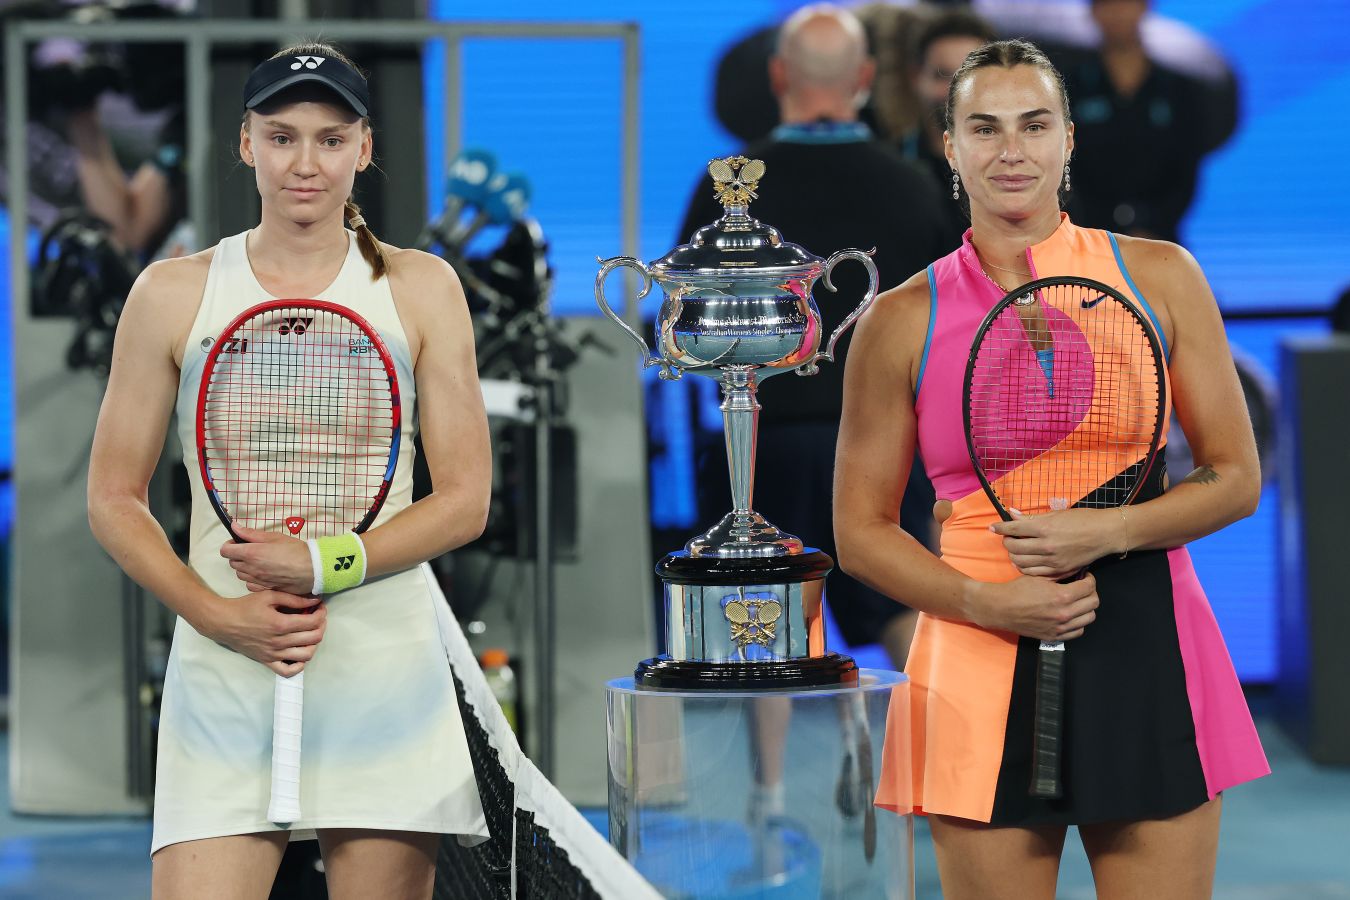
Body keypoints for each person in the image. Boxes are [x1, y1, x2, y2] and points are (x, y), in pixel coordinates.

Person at [835, 39, 1269, 899]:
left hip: (1149, 645)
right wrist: (985, 603)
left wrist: (1108, 530)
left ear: (1069, 139)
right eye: (984, 128)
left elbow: (1235, 475)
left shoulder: (1163, 276)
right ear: (949, 146)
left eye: (1034, 125)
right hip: (977, 651)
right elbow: (860, 532)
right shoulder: (897, 320)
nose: (1012, 151)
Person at [86, 42, 490, 898]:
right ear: (246, 143)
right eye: (281, 137)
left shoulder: (423, 288)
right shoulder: (170, 292)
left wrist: (322, 562)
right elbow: (114, 498)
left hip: (383, 664)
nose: (306, 163)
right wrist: (218, 617)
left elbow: (464, 500)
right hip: (225, 661)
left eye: (331, 139)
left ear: (364, 148)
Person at [678, 2, 950, 672]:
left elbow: (684, 318)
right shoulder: (916, 188)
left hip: (762, 445)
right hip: (889, 446)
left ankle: (771, 750)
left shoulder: (727, 193)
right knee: (904, 611)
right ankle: (936, 736)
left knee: (765, 617)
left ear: (778, 75)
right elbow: (948, 324)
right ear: (865, 76)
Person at [1059, 0, 1213, 243]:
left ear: (1145, 7)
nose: (1118, 12)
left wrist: (1150, 226)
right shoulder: (1069, 88)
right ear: (1093, 11)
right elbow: (1064, 168)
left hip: (1161, 242)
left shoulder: (1178, 90)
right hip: (1089, 239)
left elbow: (1186, 171)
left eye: (1128, 3)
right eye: (1108, 4)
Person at [897, 6, 997, 251]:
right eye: (943, 75)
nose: (957, 92)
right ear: (916, 77)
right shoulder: (890, 174)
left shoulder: (1022, 174)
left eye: (971, 76)